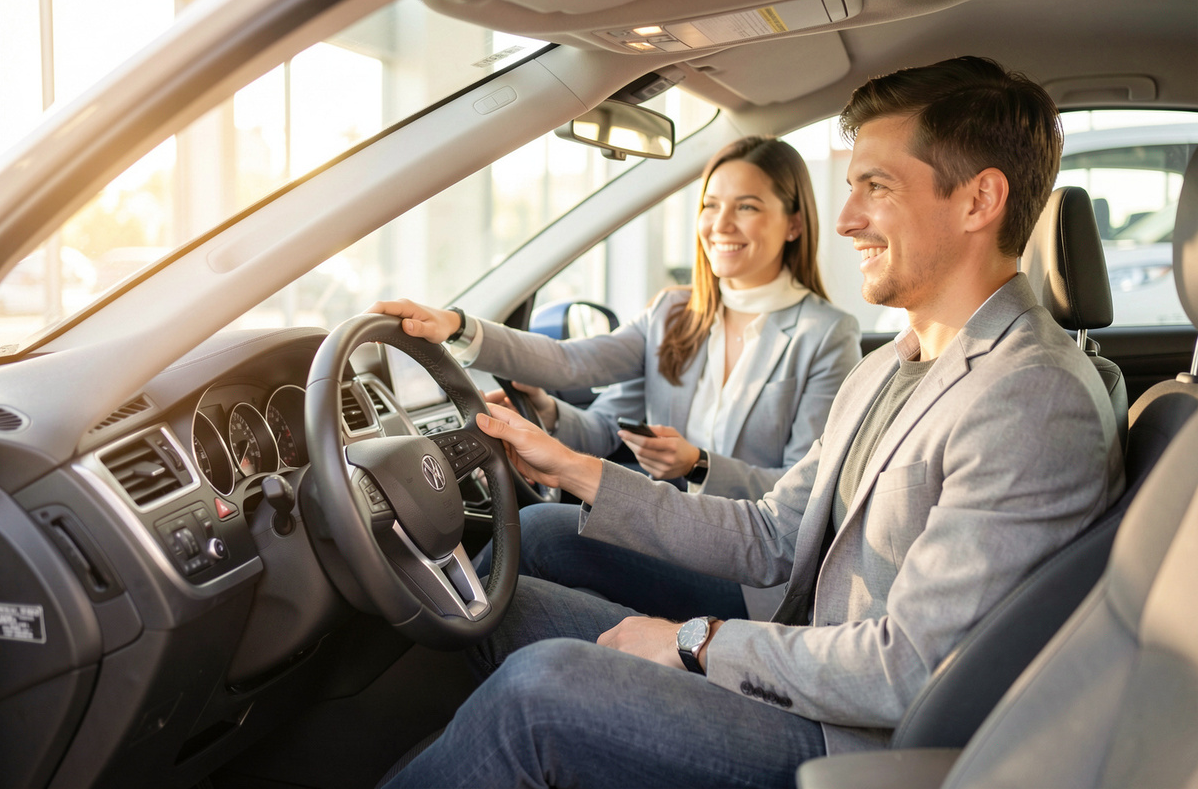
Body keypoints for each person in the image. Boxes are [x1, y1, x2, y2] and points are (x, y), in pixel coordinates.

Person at [379, 55, 1126, 789]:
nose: (847, 217)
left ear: (977, 201)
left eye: (877, 186)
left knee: (538, 691)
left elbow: (909, 672)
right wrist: (573, 467)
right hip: (808, 652)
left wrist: (696, 640)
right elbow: (774, 534)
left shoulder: (1031, 397)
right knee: (503, 604)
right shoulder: (894, 362)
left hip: (856, 740)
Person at [370, 136, 861, 621]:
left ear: (794, 223)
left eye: (747, 207)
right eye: (710, 205)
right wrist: (469, 336)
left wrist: (700, 465)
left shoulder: (826, 334)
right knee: (529, 574)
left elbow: (808, 498)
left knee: (540, 532)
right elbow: (577, 374)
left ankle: (437, 634)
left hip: (749, 572)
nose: (721, 224)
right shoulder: (673, 313)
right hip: (668, 530)